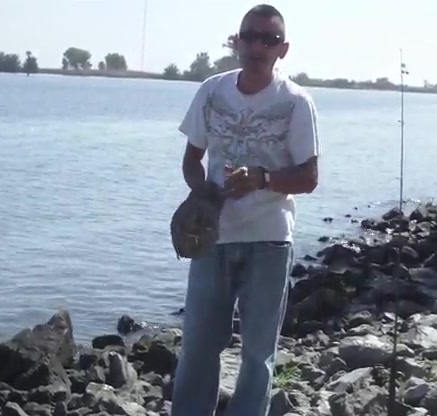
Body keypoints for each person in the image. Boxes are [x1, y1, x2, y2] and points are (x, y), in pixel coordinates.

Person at [171, 4, 320, 416]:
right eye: (250, 36)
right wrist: (203, 193)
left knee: (257, 355)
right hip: (212, 239)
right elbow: (191, 161)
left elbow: (309, 178)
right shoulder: (212, 91)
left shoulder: (296, 102)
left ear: (283, 49)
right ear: (236, 41)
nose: (258, 46)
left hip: (270, 241)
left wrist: (262, 179)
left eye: (269, 39)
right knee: (198, 346)